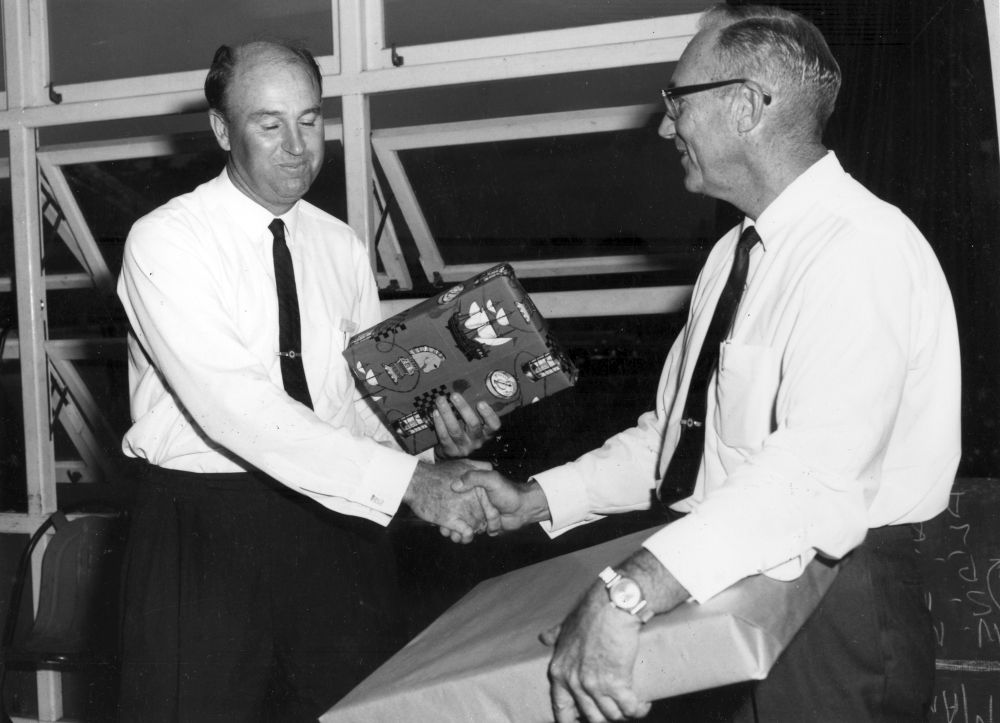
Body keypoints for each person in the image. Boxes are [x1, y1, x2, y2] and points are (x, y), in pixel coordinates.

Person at [460, 4, 961, 722]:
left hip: (831, 608)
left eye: (678, 101)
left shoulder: (861, 249)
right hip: (729, 581)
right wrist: (535, 498)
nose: (666, 127)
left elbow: (814, 477)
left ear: (746, 107)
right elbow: (677, 441)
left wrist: (626, 593)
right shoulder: (733, 254)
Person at [116, 39, 500, 721]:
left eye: (310, 119)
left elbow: (361, 402)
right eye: (270, 124)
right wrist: (412, 486)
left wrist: (433, 444)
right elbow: (236, 408)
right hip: (206, 530)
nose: (297, 147)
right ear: (221, 130)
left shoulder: (341, 245)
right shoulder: (167, 239)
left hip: (338, 525)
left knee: (353, 710)